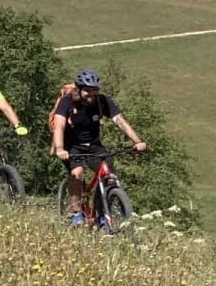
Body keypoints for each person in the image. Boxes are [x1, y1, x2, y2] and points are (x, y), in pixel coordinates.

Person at [50, 69, 147, 225]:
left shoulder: (102, 101)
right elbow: (59, 125)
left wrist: (137, 141)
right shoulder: (67, 102)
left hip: (94, 146)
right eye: (87, 91)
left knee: (110, 177)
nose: (91, 94)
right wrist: (60, 148)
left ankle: (102, 213)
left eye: (94, 91)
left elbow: (120, 121)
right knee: (77, 172)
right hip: (71, 147)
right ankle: (76, 213)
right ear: (78, 89)